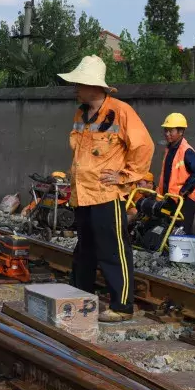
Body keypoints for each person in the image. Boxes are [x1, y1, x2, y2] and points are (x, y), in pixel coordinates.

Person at [58, 55, 154, 324]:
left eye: (79, 82)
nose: (75, 87)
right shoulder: (81, 113)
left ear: (93, 86)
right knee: (85, 248)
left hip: (106, 194)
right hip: (83, 193)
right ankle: (80, 296)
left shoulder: (121, 111)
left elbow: (143, 146)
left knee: (113, 249)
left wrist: (126, 176)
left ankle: (122, 306)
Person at [156, 113, 195, 235]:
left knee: (182, 231)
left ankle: (186, 253)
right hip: (172, 197)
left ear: (180, 131)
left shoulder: (186, 150)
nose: (167, 134)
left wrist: (185, 190)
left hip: (185, 198)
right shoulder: (170, 148)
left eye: (170, 131)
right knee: (169, 230)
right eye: (165, 130)